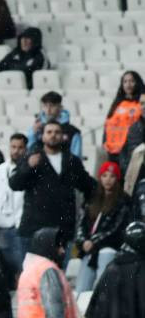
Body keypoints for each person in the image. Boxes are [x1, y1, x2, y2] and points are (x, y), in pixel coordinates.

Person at [10, 121, 97, 258]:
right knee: (34, 275)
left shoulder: (72, 161)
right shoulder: (31, 158)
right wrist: (28, 166)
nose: (53, 135)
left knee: (59, 275)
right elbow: (15, 184)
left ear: (62, 136)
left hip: (62, 231)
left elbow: (88, 185)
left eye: (57, 132)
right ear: (43, 136)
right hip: (34, 229)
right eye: (49, 132)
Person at [75, 162, 132, 293]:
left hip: (109, 249)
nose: (108, 179)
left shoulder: (123, 201)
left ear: (117, 179)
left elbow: (116, 229)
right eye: (104, 175)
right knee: (81, 289)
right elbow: (81, 223)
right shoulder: (92, 198)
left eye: (112, 176)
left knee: (103, 287)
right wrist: (82, 241)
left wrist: (93, 242)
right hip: (89, 250)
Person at [0, 133, 27, 275]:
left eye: (20, 147)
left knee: (21, 267)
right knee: (7, 269)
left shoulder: (29, 169)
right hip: (2, 226)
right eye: (13, 147)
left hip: (20, 225)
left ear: (25, 149)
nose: (16, 151)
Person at [103, 71, 145, 168]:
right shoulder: (117, 103)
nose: (128, 84)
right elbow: (108, 123)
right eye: (125, 81)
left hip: (130, 151)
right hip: (112, 151)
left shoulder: (141, 103)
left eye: (131, 81)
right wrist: (104, 142)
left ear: (137, 82)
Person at [26, 92, 83, 159]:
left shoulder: (72, 132)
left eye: (52, 105)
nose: (48, 110)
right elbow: (30, 155)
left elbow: (76, 159)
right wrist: (33, 135)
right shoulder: (34, 129)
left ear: (60, 107)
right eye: (45, 106)